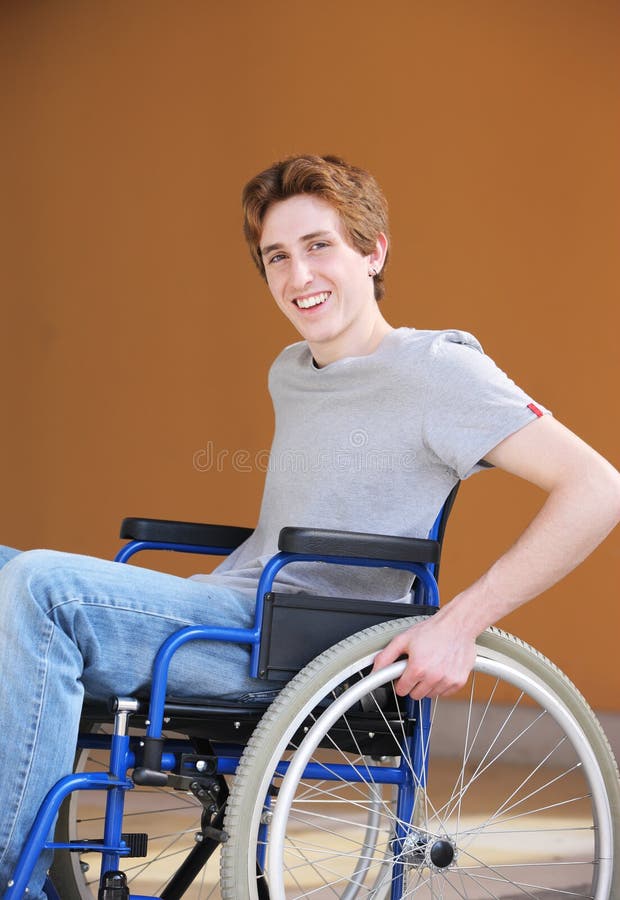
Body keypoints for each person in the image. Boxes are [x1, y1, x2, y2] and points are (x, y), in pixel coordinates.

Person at [1, 154, 619, 898]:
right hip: (234, 610)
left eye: (320, 246)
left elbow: (597, 488)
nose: (299, 277)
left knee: (40, 586)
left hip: (296, 647)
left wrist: (459, 623)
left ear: (374, 250)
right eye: (277, 257)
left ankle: (15, 878)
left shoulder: (438, 370)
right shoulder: (293, 369)